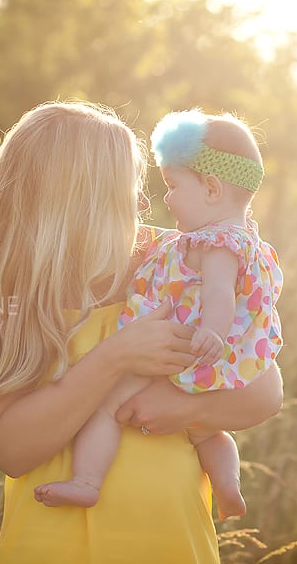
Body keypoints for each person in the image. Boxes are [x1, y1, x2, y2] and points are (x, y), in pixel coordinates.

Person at [0, 101, 284, 563]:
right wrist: (115, 357)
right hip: (46, 551)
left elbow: (266, 391)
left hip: (169, 546)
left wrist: (182, 406)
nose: (142, 202)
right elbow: (12, 449)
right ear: (77, 198)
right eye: (127, 186)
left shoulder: (174, 261)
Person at [34, 109, 283, 521]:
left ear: (211, 188)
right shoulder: (244, 240)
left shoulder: (216, 243)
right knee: (209, 434)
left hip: (178, 347)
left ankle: (86, 481)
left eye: (172, 186)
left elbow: (220, 294)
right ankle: (227, 488)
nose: (164, 199)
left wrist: (211, 333)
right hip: (204, 354)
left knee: (108, 407)